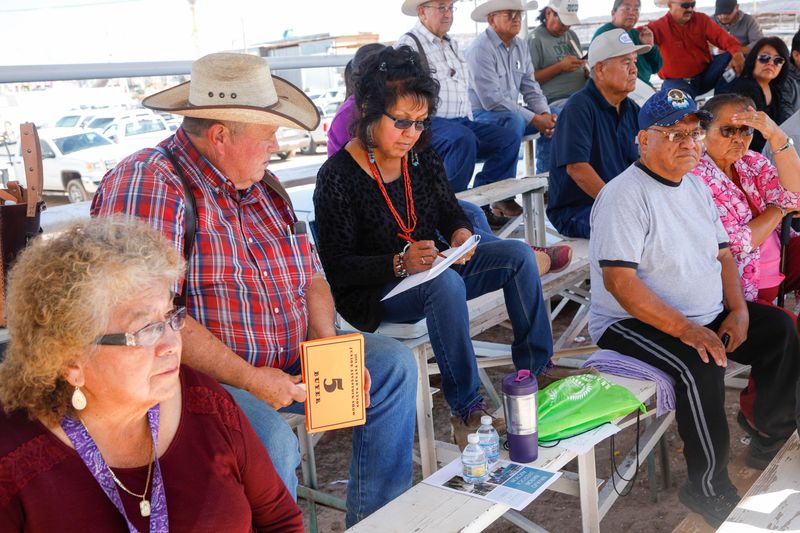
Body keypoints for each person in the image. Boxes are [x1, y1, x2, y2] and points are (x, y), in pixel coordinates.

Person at [90, 52, 417, 527]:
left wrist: (324, 338)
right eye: (267, 133)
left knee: (391, 365)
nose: (275, 143)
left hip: (284, 356)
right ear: (221, 135)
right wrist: (249, 378)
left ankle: (376, 522)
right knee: (268, 438)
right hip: (191, 374)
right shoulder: (152, 181)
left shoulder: (265, 187)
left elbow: (312, 276)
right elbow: (146, 320)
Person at [312, 46, 561, 450]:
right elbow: (338, 268)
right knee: (445, 287)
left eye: (420, 123)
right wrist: (399, 263)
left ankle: (536, 371)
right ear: (370, 113)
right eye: (402, 123)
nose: (412, 133)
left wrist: (461, 233)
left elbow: (449, 211)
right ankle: (466, 410)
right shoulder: (338, 175)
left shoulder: (420, 156)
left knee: (516, 257)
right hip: (377, 294)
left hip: (432, 269)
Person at [0, 217, 303, 532]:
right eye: (146, 329)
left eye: (171, 316)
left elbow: (280, 520)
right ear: (71, 361)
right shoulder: (13, 462)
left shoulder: (205, 402)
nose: (172, 343)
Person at [589, 87, 800, 528]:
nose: (687, 143)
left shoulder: (694, 187)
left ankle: (769, 434)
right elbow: (621, 284)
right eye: (673, 134)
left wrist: (738, 310)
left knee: (779, 330)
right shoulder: (624, 195)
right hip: (632, 321)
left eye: (692, 133)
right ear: (643, 138)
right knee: (701, 363)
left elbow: (724, 255)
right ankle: (707, 488)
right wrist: (687, 330)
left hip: (700, 313)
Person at [328, 39, 568, 273]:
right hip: (381, 213)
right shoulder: (350, 117)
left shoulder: (403, 111)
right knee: (449, 218)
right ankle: (516, 257)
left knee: (469, 214)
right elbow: (359, 180)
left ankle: (507, 257)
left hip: (404, 198)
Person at [692, 93, 800, 445]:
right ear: (703, 130)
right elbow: (737, 241)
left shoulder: (752, 162)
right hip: (730, 287)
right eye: (729, 130)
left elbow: (796, 194)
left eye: (747, 131)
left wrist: (777, 138)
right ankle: (766, 426)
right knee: (785, 331)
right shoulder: (695, 175)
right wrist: (777, 210)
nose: (739, 139)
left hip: (771, 262)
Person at [397, 0, 524, 226]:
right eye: (441, 7)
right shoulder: (409, 44)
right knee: (462, 140)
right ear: (422, 12)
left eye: (450, 8)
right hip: (428, 122)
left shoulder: (452, 44)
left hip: (462, 121)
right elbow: (403, 94)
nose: (447, 13)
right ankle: (450, 210)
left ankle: (482, 202)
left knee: (507, 137)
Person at [546, 29, 649, 238]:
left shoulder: (631, 109)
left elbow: (648, 160)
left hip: (622, 204)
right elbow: (577, 168)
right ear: (600, 69)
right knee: (638, 231)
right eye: (625, 63)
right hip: (579, 209)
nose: (634, 71)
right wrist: (619, 206)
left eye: (635, 62)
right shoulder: (579, 107)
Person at [464, 0, 556, 154]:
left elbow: (531, 87)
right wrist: (535, 119)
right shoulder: (480, 49)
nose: (517, 18)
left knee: (556, 117)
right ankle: (496, 178)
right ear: (492, 20)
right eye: (509, 14)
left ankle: (549, 174)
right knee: (515, 121)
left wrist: (544, 114)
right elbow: (492, 101)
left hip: (510, 113)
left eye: (519, 13)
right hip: (481, 116)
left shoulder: (521, 45)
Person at [527, 0, 587, 173]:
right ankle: (548, 177)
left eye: (569, 23)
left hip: (578, 97)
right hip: (553, 101)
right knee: (559, 118)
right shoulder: (535, 39)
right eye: (562, 21)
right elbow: (529, 81)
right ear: (548, 14)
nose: (566, 27)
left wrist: (586, 71)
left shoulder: (571, 36)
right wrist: (560, 67)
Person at [647, 0, 744, 98]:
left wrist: (737, 53)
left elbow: (723, 38)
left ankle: (721, 101)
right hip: (677, 83)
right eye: (685, 5)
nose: (690, 9)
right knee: (680, 106)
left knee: (732, 57)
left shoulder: (701, 19)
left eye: (692, 5)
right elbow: (636, 39)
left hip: (706, 75)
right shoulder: (657, 27)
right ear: (670, 5)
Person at [725, 37, 796, 152]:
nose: (771, 63)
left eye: (778, 60)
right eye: (764, 58)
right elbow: (750, 134)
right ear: (753, 60)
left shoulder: (775, 90)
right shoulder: (745, 88)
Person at [592, 0, 662, 87]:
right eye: (627, 8)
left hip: (643, 87)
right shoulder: (605, 35)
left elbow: (656, 67)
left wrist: (650, 46)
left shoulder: (637, 34)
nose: (632, 13)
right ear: (613, 13)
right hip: (623, 89)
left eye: (636, 9)